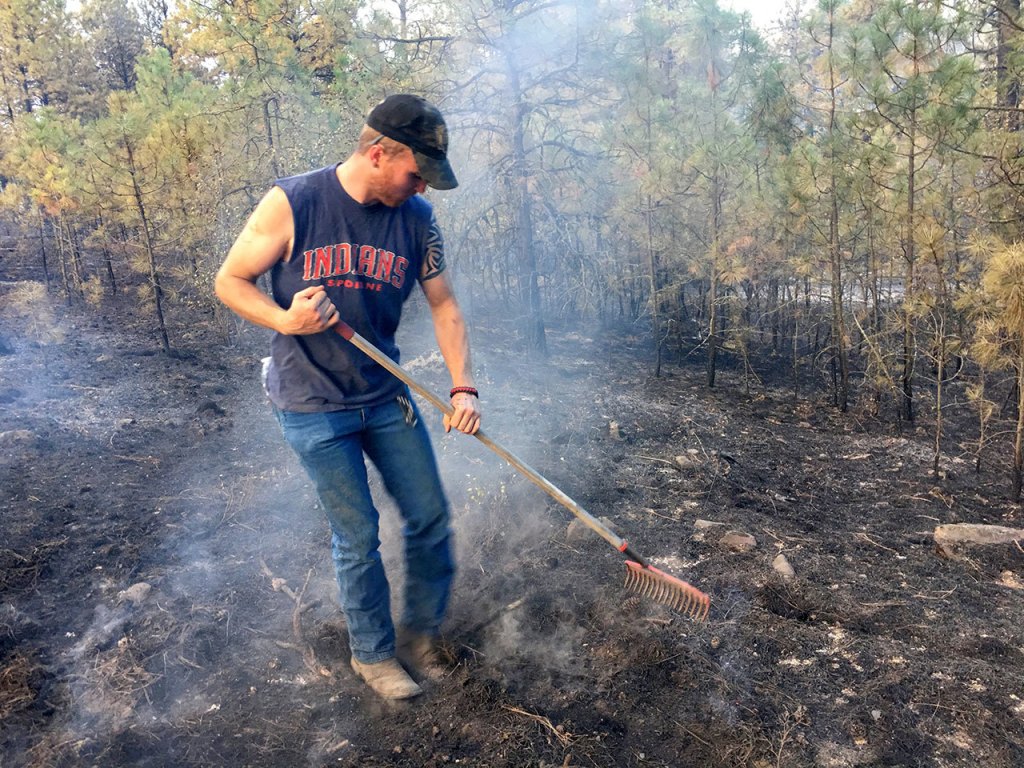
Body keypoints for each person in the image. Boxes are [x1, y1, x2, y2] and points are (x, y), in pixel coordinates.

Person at [215, 94, 481, 700]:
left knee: (430, 516)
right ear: (378, 153)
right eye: (417, 175)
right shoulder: (295, 202)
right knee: (358, 533)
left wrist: (462, 385)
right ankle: (373, 654)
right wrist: (284, 320)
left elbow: (443, 305)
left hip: (385, 395)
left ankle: (420, 635)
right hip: (311, 405)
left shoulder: (417, 219)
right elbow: (229, 279)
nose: (422, 189)